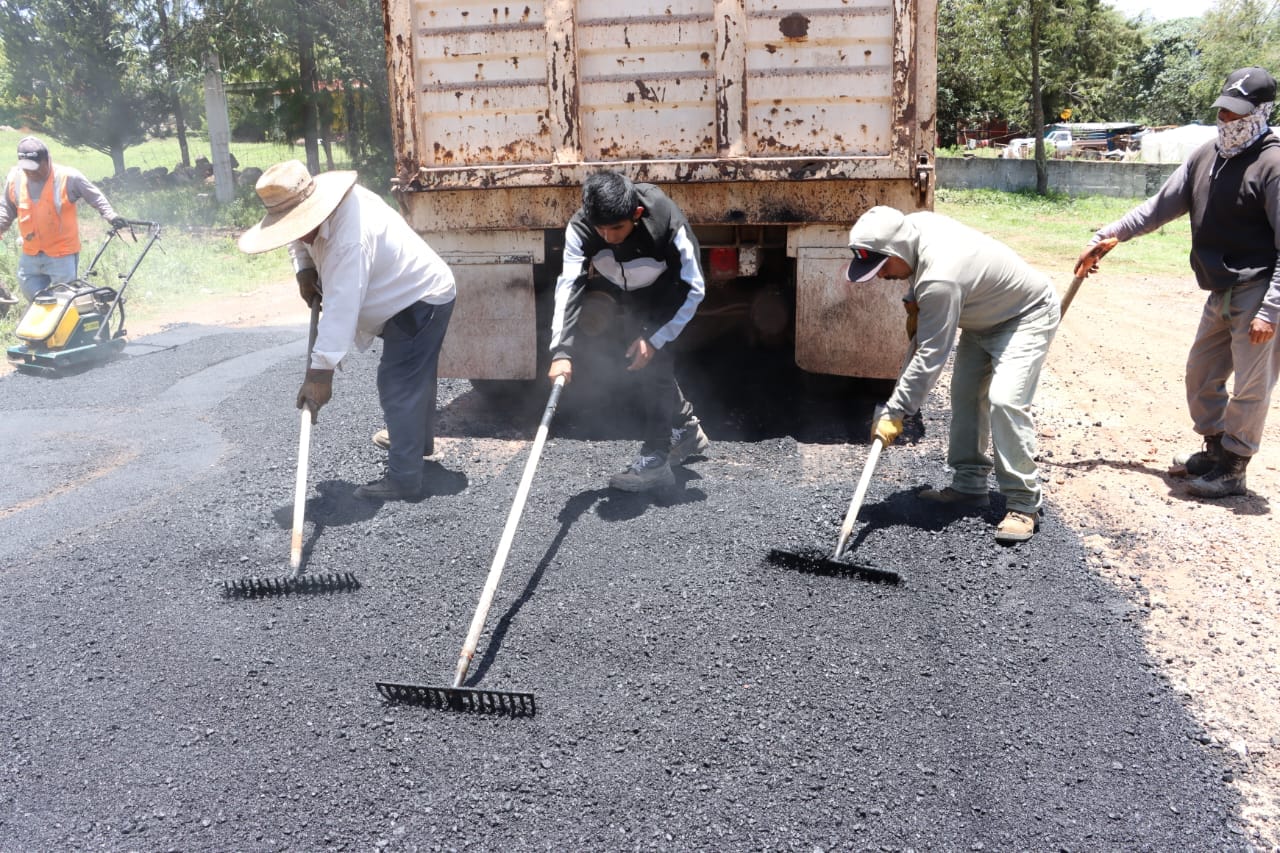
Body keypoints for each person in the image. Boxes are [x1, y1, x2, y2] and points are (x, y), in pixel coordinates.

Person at [1079, 67, 1280, 500]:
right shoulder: (1207, 155)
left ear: (1261, 112)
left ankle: (1234, 467)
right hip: (1220, 287)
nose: (1227, 120)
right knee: (1201, 374)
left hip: (1258, 289)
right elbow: (1157, 208)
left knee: (1250, 386)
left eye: (1237, 113)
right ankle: (1213, 447)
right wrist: (1105, 237)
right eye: (1223, 110)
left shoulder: (1273, 164)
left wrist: (1272, 310)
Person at [238, 160, 456, 501]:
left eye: (299, 223)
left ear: (314, 210)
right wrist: (304, 269)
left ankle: (404, 478)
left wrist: (319, 375)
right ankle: (414, 441)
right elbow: (295, 235)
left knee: (398, 381)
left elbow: (340, 310)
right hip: (404, 293)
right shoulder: (316, 212)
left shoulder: (348, 241)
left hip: (420, 297)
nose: (297, 232)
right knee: (414, 376)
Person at [850, 205, 1060, 543]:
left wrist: (896, 412)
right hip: (982, 318)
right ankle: (969, 487)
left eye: (882, 266)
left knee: (1005, 401)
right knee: (964, 395)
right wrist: (913, 294)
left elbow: (931, 354)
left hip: (1026, 315)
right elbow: (921, 339)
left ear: (896, 249)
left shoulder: (940, 279)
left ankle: (1023, 503)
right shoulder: (911, 227)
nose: (879, 275)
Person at [548, 170, 709, 492]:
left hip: (667, 292)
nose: (607, 237)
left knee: (654, 366)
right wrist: (562, 351)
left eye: (616, 228)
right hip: (625, 290)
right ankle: (686, 428)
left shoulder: (664, 218)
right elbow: (570, 286)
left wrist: (655, 337)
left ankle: (656, 459)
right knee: (635, 358)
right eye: (600, 229)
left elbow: (693, 288)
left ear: (636, 215)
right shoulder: (581, 226)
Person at [0, 136, 127, 300]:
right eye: (27, 168)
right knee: (33, 296)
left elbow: (95, 196)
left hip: (61, 254)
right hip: (30, 253)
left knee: (64, 300)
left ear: (48, 160)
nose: (32, 172)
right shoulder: (15, 178)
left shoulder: (67, 177)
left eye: (36, 167)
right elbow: (6, 208)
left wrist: (111, 215)